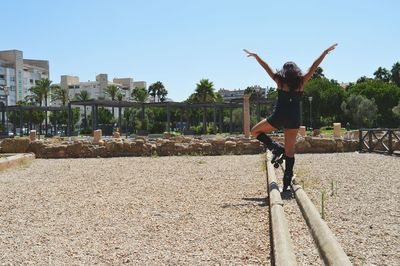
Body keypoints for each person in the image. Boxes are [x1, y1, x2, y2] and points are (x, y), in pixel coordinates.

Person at [243, 44, 338, 191]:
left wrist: (256, 56)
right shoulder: (302, 81)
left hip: (279, 116)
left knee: (254, 131)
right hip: (294, 119)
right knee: (290, 152)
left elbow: (267, 67)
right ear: (295, 70)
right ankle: (287, 182)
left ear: (285, 71)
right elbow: (314, 66)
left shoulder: (280, 81)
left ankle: (275, 147)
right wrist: (324, 53)